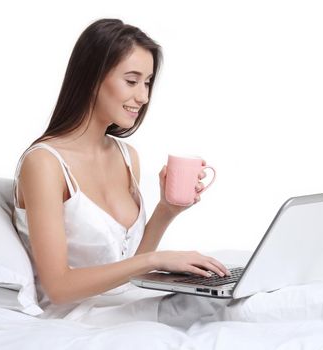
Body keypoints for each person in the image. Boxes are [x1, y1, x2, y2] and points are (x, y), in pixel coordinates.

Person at [12, 18, 230, 307]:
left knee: (238, 304)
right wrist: (157, 260)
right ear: (92, 78)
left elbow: (129, 266)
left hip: (125, 304)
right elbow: (59, 287)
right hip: (72, 317)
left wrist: (166, 210)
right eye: (131, 81)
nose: (143, 96)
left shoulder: (127, 157)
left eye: (147, 82)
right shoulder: (44, 164)